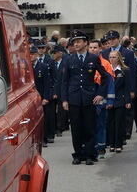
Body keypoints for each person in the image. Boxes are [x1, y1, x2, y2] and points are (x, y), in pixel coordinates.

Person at [61, 34, 110, 165]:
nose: (76, 44)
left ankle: (89, 154)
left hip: (89, 98)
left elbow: (106, 77)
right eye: (74, 42)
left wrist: (100, 94)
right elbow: (64, 81)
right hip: (74, 98)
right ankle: (78, 154)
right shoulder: (68, 59)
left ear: (85, 43)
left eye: (78, 42)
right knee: (76, 128)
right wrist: (64, 100)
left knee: (90, 127)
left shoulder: (93, 58)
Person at [32, 43, 57, 145]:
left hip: (42, 95)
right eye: (29, 54)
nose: (31, 56)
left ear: (36, 55)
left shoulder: (43, 66)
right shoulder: (26, 66)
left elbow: (48, 83)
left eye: (33, 54)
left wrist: (46, 97)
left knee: (45, 118)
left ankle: (45, 138)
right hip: (32, 98)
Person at [106, 49, 131, 152]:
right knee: (110, 123)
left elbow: (127, 87)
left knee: (119, 123)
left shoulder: (124, 70)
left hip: (120, 99)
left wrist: (128, 101)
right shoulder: (106, 70)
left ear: (119, 58)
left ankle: (119, 144)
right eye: (110, 57)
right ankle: (111, 143)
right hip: (109, 100)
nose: (112, 59)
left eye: (114, 57)